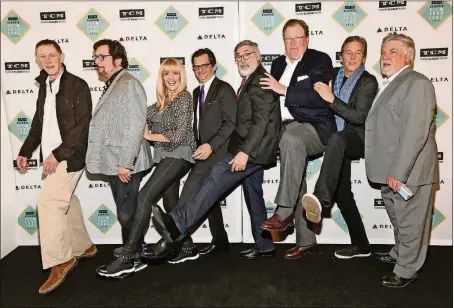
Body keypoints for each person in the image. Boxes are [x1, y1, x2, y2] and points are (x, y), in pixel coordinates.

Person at [150, 40, 281, 260]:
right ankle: (265, 245)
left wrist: (244, 152)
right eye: (238, 56)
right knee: (253, 195)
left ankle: (178, 223)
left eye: (247, 54)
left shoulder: (259, 80)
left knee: (215, 180)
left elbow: (259, 122)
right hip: (253, 149)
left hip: (250, 151)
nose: (242, 59)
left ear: (258, 55)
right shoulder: (250, 80)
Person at [96, 58, 196, 277]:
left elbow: (179, 136)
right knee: (171, 203)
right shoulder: (161, 102)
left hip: (179, 156)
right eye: (166, 74)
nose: (171, 78)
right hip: (164, 157)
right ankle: (187, 246)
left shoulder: (184, 98)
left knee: (144, 197)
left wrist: (150, 135)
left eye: (175, 74)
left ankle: (128, 256)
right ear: (161, 77)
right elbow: (137, 116)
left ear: (181, 76)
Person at [16, 39, 95, 294]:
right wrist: (25, 151)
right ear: (37, 59)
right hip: (54, 156)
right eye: (42, 56)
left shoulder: (77, 86)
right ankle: (84, 247)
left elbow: (83, 125)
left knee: (49, 203)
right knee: (66, 201)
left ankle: (61, 260)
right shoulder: (45, 86)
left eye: (52, 55)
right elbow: (39, 124)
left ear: (61, 56)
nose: (48, 60)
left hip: (70, 156)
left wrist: (58, 154)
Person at [143, 48, 237, 263]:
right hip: (200, 153)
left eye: (205, 65)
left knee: (189, 194)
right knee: (208, 196)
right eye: (197, 67)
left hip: (219, 152)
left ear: (214, 66)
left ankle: (173, 241)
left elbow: (231, 122)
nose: (201, 70)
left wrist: (211, 146)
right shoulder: (195, 93)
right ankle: (220, 240)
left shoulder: (224, 89)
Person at [365, 32, 439, 288]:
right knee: (399, 218)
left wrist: (398, 172)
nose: (385, 56)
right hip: (391, 171)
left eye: (393, 51)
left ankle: (406, 269)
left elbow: (414, 133)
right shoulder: (393, 83)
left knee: (410, 221)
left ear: (408, 56)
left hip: (410, 171)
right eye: (384, 51)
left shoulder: (417, 83)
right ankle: (399, 253)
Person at [259, 19, 336, 259]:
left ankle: (282, 212)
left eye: (297, 38)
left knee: (292, 140)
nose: (292, 43)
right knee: (296, 178)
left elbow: (320, 98)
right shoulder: (278, 63)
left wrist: (284, 90)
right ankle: (306, 242)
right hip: (283, 130)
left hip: (314, 127)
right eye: (288, 39)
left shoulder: (319, 60)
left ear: (307, 39)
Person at [300, 36, 378, 259]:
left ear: (364, 57)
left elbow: (358, 116)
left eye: (358, 53)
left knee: (338, 139)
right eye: (348, 52)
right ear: (341, 56)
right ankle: (362, 246)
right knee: (343, 194)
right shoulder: (333, 74)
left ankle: (322, 198)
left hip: (358, 138)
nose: (352, 57)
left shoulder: (368, 81)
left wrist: (331, 98)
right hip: (337, 142)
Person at [85, 39, 152, 270]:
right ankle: (136, 250)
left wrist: (125, 163)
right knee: (128, 210)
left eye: (101, 57)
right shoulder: (116, 82)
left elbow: (135, 126)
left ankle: (130, 259)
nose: (97, 62)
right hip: (117, 162)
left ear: (118, 60)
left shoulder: (129, 83)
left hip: (125, 163)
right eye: (95, 57)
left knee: (126, 213)